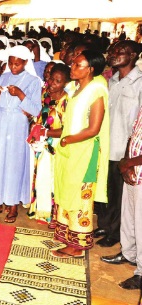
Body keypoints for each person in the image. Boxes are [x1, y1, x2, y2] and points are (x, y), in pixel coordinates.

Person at [51, 50, 109, 258]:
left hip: (84, 152)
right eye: (73, 64)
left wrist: (66, 140)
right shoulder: (76, 89)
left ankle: (78, 245)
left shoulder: (96, 93)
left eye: (78, 65)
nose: (72, 68)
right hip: (71, 151)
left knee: (81, 197)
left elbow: (93, 128)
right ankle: (68, 238)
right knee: (67, 193)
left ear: (91, 69)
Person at [0, 46, 42, 223]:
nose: (13, 66)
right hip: (1, 123)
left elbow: (35, 109)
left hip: (17, 125)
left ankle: (13, 204)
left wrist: (21, 95)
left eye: (17, 63)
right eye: (10, 63)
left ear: (25, 62)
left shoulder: (33, 81)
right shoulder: (5, 76)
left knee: (13, 164)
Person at [95, 41, 142, 248]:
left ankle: (116, 234)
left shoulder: (139, 82)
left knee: (120, 196)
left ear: (131, 55)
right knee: (106, 192)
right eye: (112, 51)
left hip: (125, 150)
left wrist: (129, 157)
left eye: (118, 52)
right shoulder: (112, 80)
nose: (112, 54)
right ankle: (105, 226)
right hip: (107, 144)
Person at [100, 100, 142, 289]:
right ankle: (129, 254)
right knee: (129, 219)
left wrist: (129, 163)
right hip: (132, 173)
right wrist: (125, 164)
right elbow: (132, 137)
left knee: (141, 224)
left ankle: (140, 273)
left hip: (138, 171)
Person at [27, 63, 71, 225]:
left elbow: (67, 130)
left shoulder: (66, 101)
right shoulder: (44, 93)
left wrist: (46, 133)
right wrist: (33, 124)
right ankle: (36, 208)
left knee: (50, 180)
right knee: (36, 176)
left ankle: (51, 214)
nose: (52, 83)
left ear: (65, 83)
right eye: (51, 78)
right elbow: (37, 114)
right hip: (38, 141)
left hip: (53, 144)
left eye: (57, 81)